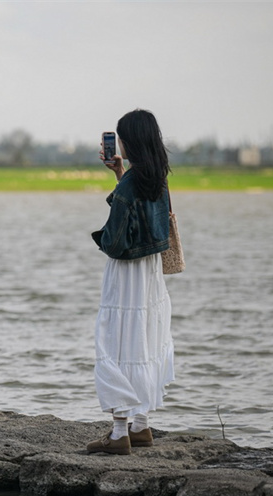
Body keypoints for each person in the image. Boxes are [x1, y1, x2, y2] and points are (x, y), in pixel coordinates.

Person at [87, 109, 175, 455]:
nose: (117, 143)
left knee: (116, 341)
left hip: (125, 274)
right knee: (143, 340)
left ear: (129, 141)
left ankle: (119, 433)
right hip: (150, 273)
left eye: (120, 138)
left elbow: (115, 240)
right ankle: (141, 426)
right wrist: (120, 173)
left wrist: (101, 236)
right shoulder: (156, 177)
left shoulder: (129, 185)